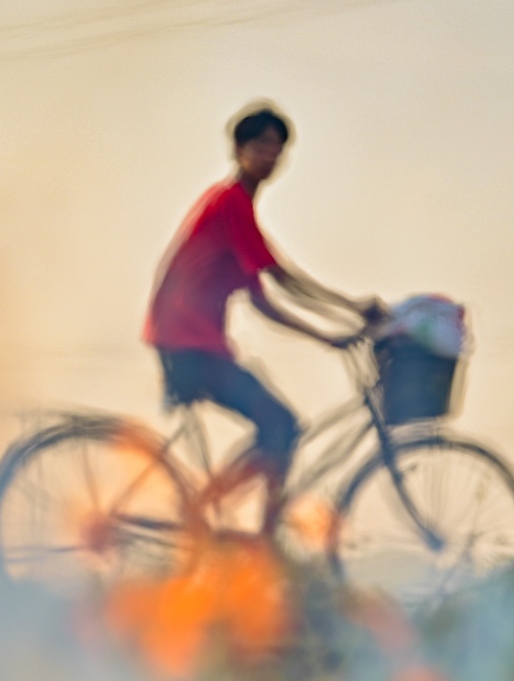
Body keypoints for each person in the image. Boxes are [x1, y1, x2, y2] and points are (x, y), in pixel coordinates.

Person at [144, 104, 381, 534]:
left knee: (279, 427)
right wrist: (350, 308)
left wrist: (327, 334)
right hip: (187, 342)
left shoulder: (236, 211)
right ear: (238, 150)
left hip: (191, 341)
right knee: (281, 425)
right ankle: (250, 532)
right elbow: (280, 277)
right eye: (260, 146)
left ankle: (240, 521)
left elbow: (264, 302)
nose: (269, 156)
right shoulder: (231, 202)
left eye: (277, 148)